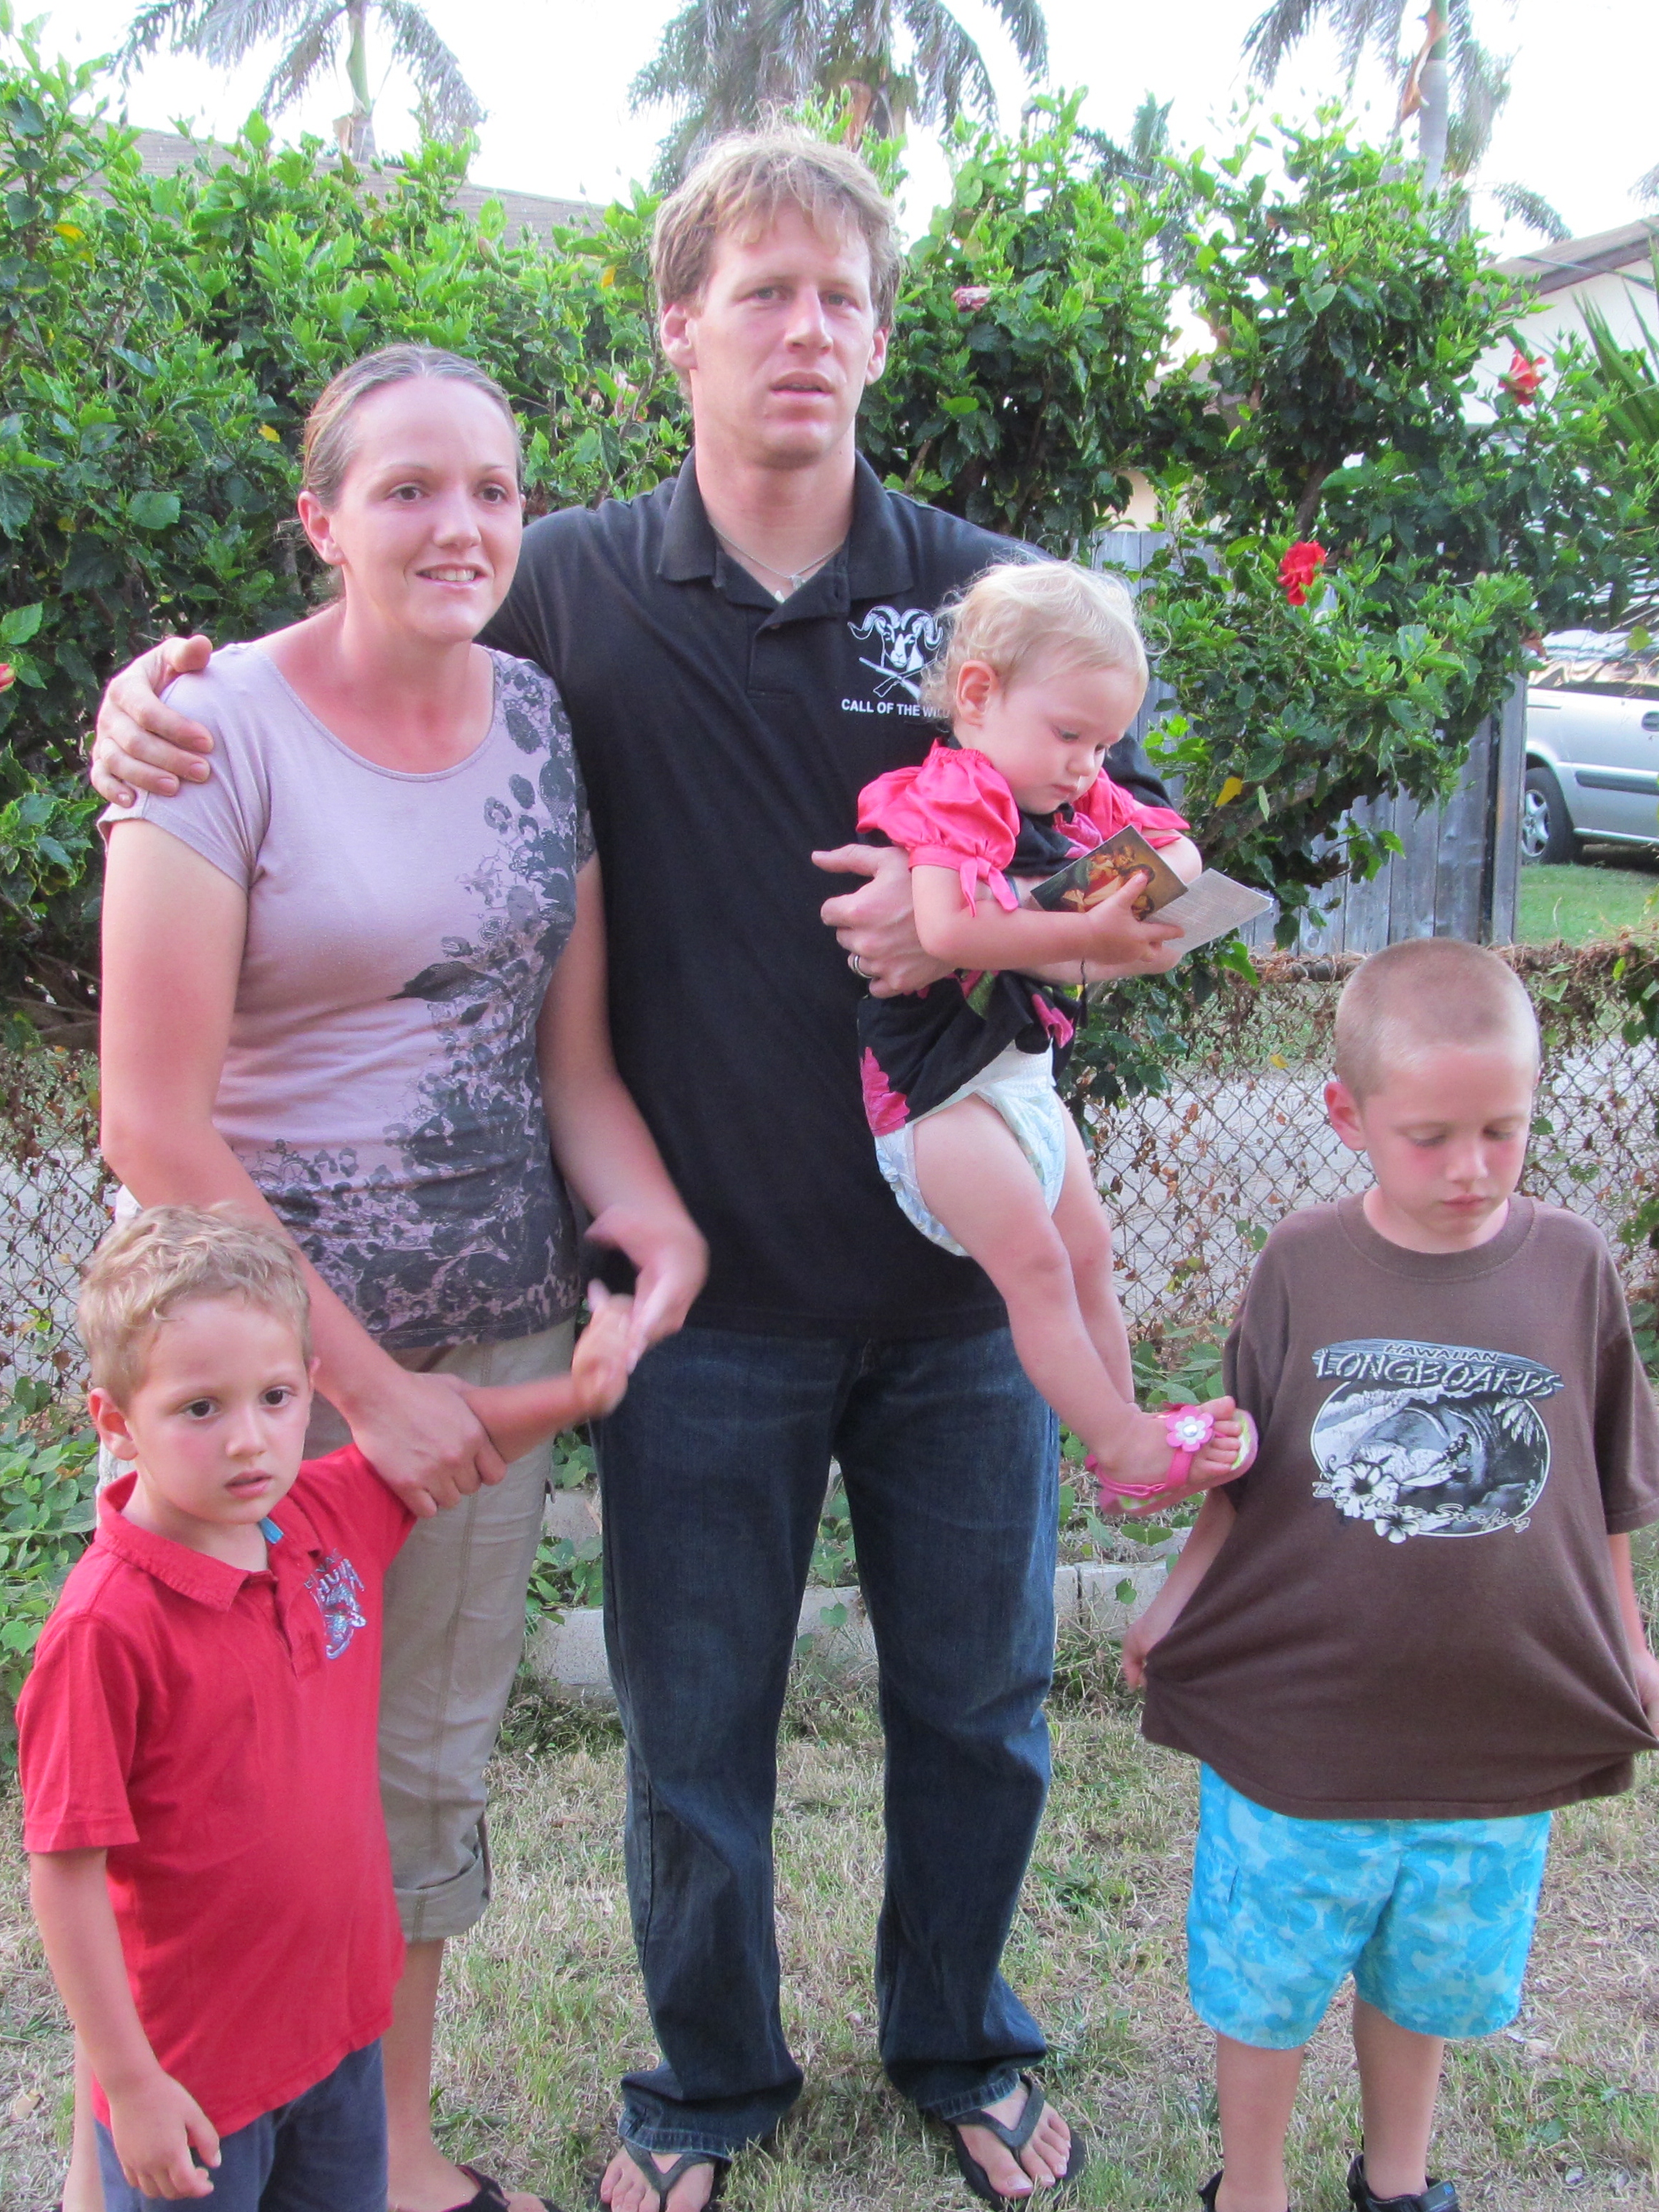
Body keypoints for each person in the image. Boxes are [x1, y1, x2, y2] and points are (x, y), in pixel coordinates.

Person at [93, 130, 1213, 2212]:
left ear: (881, 338)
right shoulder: (567, 582)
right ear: (679, 327)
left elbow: (1157, 886)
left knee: (977, 1708)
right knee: (691, 1741)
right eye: (762, 291)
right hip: (696, 1295)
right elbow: (351, 646)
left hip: (959, 1287)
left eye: (842, 296)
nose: (806, 330)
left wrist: (998, 930)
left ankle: (961, 2042)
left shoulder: (982, 593)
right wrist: (143, 704)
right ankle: (704, 2084)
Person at [86, 346, 706, 2212]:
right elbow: (153, 1120)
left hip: (495, 1335)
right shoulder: (211, 732)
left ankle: (392, 2149)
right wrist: (359, 1393)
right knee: (211, 1786)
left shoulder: (537, 720)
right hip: (248, 1374)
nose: (459, 524)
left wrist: (654, 1220)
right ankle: (157, 2152)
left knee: (419, 1768)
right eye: (408, 488)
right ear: (321, 521)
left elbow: (567, 1067)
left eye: (493, 489)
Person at [1120, 938, 1659, 2212]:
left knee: (1423, 1981)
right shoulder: (1302, 1264)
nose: (1470, 1168)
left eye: (1501, 1130)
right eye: (1429, 1137)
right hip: (1302, 1726)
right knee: (1266, 1984)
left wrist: (1629, 1646)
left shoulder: (1571, 1266)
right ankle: (1250, 2189)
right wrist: (1172, 1605)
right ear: (1346, 1116)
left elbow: (1607, 1491)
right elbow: (1244, 1476)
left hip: (1490, 1728)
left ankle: (1398, 2182)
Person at [19, 1206, 634, 2212]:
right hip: (194, 2085)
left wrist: (581, 1389)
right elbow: (65, 1870)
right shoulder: (105, 1630)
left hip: (343, 2038)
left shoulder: (320, 1517)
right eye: (199, 1409)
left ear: (312, 1387)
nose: (249, 1440)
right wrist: (129, 2084)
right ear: (116, 1422)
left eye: (275, 1397)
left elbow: (465, 1437)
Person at [854, 558, 1249, 1502]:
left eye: (1105, 743)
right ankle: (1120, 1441)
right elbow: (948, 930)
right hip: (936, 1091)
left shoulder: (1075, 794)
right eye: (1070, 734)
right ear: (978, 695)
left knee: (1089, 1252)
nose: (1088, 763)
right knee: (1034, 1265)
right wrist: (1089, 932)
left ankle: (1128, 1448)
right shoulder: (953, 792)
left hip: (1020, 1076)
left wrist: (1150, 884)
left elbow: (1175, 844)